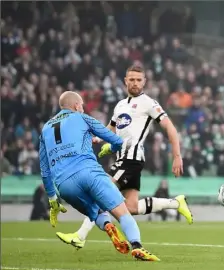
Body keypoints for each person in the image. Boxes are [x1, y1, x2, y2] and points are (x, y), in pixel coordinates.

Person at [56, 66, 193, 249]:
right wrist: (95, 138)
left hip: (131, 159)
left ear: (144, 82)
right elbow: (110, 130)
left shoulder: (149, 103)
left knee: (101, 192)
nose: (135, 83)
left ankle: (81, 236)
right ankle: (176, 203)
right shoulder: (120, 105)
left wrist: (177, 156)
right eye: (132, 79)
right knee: (131, 207)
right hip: (123, 159)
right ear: (125, 81)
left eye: (139, 80)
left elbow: (170, 128)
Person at [40, 91, 159, 261]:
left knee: (95, 212)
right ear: (76, 105)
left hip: (64, 185)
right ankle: (137, 247)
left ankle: (108, 226)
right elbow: (116, 140)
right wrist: (111, 149)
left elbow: (45, 170)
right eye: (81, 105)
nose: (82, 108)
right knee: (122, 212)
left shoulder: (45, 129)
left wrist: (53, 199)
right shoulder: (83, 118)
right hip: (89, 172)